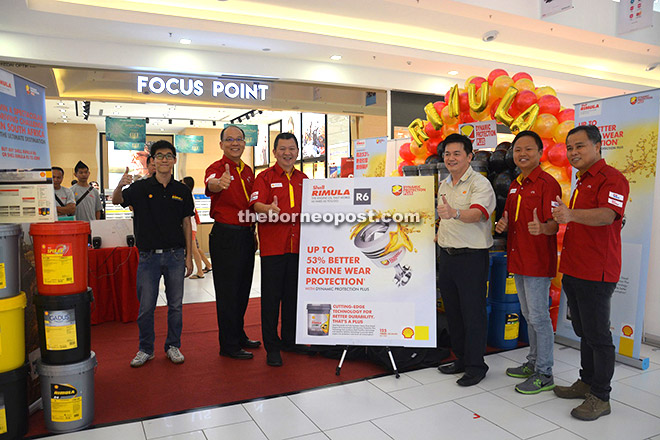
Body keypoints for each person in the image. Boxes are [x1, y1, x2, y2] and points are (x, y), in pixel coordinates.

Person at [551, 125, 629, 421]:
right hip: (574, 268)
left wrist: (569, 214)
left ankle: (601, 396)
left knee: (598, 336)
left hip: (597, 270)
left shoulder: (613, 179)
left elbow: (608, 215)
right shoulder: (582, 180)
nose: (573, 153)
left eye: (580, 146)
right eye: (570, 147)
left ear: (598, 146)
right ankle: (586, 381)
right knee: (583, 331)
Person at [112, 140, 194, 367]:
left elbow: (186, 223)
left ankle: (173, 346)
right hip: (148, 257)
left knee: (175, 306)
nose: (164, 160)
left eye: (169, 156)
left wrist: (188, 256)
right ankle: (145, 349)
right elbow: (117, 200)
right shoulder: (140, 188)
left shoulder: (182, 190)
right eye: (160, 156)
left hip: (176, 255)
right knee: (146, 306)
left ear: (174, 160)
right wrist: (120, 185)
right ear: (153, 161)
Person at [494, 130, 561, 394]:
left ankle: (545, 373)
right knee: (528, 316)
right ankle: (533, 362)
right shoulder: (515, 183)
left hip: (537, 261)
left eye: (528, 149)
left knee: (539, 317)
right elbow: (510, 217)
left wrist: (543, 229)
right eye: (518, 150)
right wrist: (503, 223)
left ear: (540, 152)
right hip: (518, 258)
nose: (522, 154)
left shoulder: (548, 184)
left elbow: (556, 223)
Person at [435, 133, 496, 386]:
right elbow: (443, 217)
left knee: (473, 313)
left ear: (469, 156)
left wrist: (455, 212)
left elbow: (480, 214)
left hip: (471, 257)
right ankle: (460, 358)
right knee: (454, 312)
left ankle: (476, 365)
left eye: (457, 153)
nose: (451, 158)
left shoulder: (480, 184)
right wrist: (438, 231)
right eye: (447, 154)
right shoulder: (444, 184)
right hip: (447, 257)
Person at [250, 132, 308, 367]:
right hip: (274, 248)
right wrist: (267, 209)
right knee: (272, 300)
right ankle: (272, 347)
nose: (287, 153)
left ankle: (291, 341)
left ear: (297, 151)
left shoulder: (304, 179)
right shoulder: (264, 177)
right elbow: (255, 205)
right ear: (274, 152)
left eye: (292, 148)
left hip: (299, 248)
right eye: (282, 149)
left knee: (294, 297)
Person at [205, 125, 260, 360]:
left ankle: (238, 334)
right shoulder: (216, 169)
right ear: (221, 144)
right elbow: (211, 183)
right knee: (228, 292)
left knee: (242, 290)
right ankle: (228, 345)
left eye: (239, 139)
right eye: (229, 140)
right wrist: (219, 183)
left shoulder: (248, 171)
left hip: (246, 234)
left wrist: (254, 232)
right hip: (226, 236)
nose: (234, 143)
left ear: (245, 143)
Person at [182, 176, 212, 279]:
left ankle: (200, 272)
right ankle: (208, 264)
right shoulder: (189, 194)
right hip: (191, 225)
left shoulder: (188, 195)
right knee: (197, 249)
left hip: (190, 226)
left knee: (194, 249)